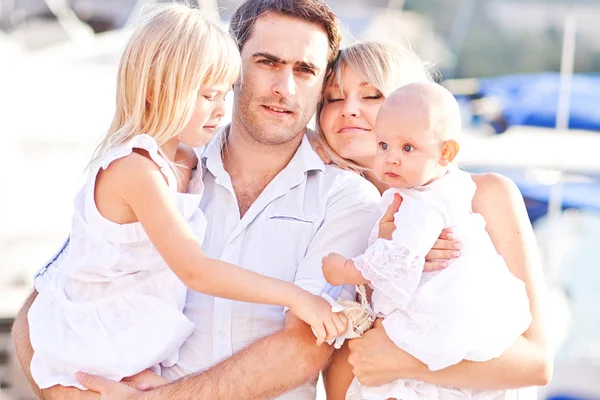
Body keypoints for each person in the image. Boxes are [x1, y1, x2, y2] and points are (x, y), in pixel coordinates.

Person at [26, 3, 350, 392]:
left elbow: (303, 349)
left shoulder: (343, 195)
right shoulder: (155, 168)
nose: (285, 88)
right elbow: (52, 294)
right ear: (237, 66)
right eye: (267, 62)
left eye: (305, 70)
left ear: (324, 83)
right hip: (109, 365)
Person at [313, 41, 552, 399]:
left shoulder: (485, 196)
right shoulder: (342, 212)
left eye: (372, 95)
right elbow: (349, 372)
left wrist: (407, 361)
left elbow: (536, 363)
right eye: (333, 98)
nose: (349, 110)